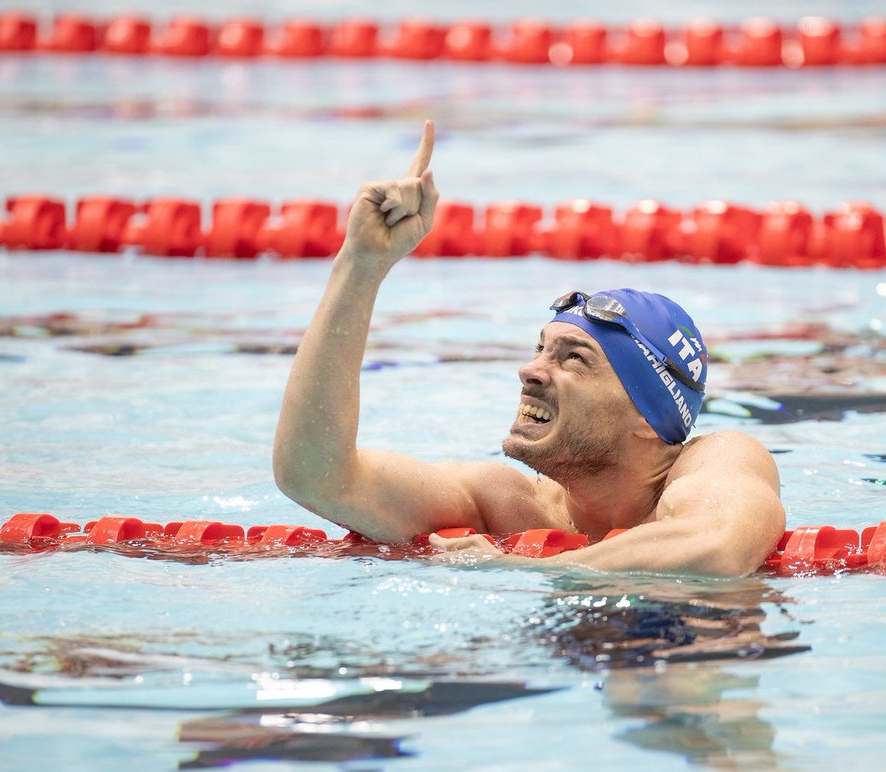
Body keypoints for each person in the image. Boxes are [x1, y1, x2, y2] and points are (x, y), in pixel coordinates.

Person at [273, 121, 785, 578]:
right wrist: (359, 266)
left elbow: (718, 545)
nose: (530, 371)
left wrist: (521, 568)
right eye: (540, 349)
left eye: (574, 358)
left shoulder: (718, 460)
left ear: (649, 417)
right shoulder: (504, 504)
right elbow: (316, 477)